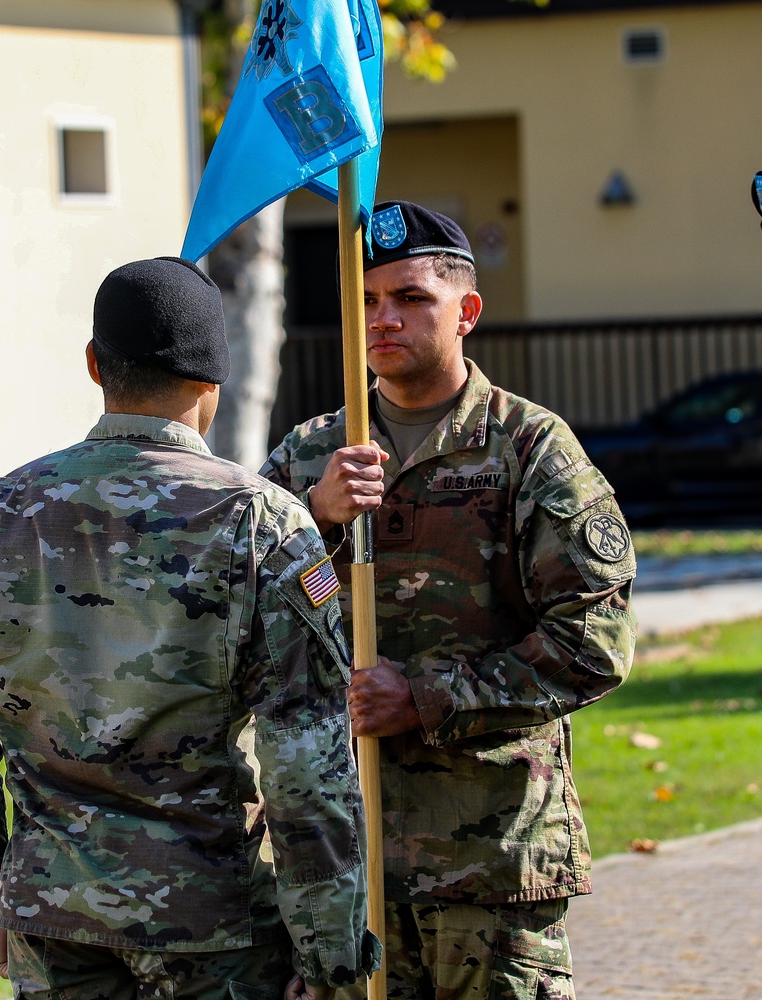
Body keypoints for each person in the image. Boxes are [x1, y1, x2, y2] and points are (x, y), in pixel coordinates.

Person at [0, 256, 379, 1000]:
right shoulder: (263, 524)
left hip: (51, 920)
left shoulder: (1, 513)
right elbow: (307, 767)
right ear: (213, 383)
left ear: (95, 364)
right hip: (215, 928)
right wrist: (328, 953)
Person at [260, 203, 638, 1000]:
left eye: (409, 298)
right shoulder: (308, 457)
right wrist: (318, 531)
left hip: (485, 863)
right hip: (342, 868)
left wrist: (426, 698)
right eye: (365, 301)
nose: (382, 319)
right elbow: (251, 629)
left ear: (465, 312)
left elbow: (594, 640)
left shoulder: (528, 449)